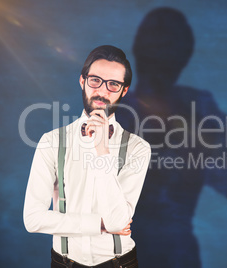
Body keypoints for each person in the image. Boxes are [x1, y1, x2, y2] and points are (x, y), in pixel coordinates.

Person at [23, 45, 151, 268]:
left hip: (119, 263)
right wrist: (99, 225)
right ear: (82, 81)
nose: (102, 91)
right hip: (64, 263)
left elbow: (117, 221)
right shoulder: (51, 142)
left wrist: (101, 149)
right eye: (95, 80)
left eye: (113, 84)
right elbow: (33, 219)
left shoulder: (137, 147)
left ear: (124, 90)